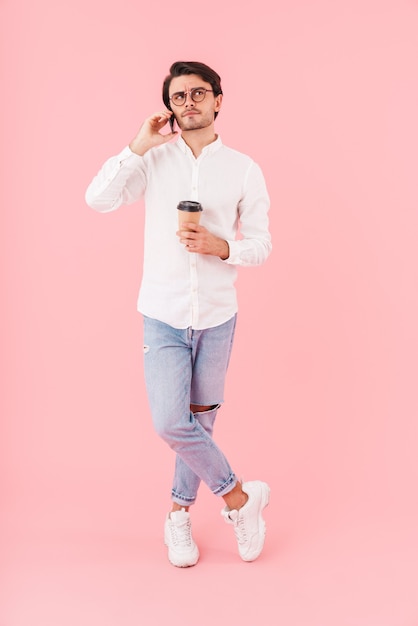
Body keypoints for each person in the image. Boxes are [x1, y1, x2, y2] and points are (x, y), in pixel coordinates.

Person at [85, 61, 272, 567]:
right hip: (163, 314)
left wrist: (221, 246)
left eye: (198, 94)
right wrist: (136, 145)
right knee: (173, 422)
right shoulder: (152, 160)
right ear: (169, 106)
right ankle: (239, 499)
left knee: (201, 425)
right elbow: (97, 198)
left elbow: (261, 245)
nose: (187, 103)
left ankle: (178, 514)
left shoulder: (243, 168)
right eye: (178, 96)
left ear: (217, 100)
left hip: (216, 317)